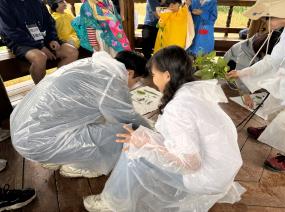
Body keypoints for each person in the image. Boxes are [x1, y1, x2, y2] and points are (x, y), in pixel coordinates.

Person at [83, 46, 245, 211]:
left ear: (167, 75)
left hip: (206, 176)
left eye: (154, 75)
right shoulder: (195, 90)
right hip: (223, 168)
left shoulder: (178, 108)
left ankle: (113, 203)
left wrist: (146, 146)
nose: (153, 80)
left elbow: (191, 164)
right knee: (141, 138)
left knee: (133, 150)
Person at [10, 50, 150, 178]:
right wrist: (153, 132)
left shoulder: (92, 63)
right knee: (123, 131)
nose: (134, 85)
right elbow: (128, 118)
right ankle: (77, 166)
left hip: (23, 130)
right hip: (39, 143)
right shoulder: (111, 80)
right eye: (136, 81)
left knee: (100, 117)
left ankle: (60, 156)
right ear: (130, 73)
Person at [227, 0, 285, 172]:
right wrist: (243, 73)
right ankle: (272, 130)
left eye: (266, 17)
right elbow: (273, 61)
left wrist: (275, 82)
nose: (264, 22)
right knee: (273, 104)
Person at [0, 0, 79, 84]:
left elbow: (49, 22)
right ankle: (41, 92)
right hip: (20, 41)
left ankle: (57, 84)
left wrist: (52, 39)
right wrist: (40, 47)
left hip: (43, 37)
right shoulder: (3, 3)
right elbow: (11, 31)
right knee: (39, 58)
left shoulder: (37, 1)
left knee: (72, 52)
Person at [224, 31, 281, 108]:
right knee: (239, 80)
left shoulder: (261, 44)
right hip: (231, 66)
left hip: (247, 64)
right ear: (264, 50)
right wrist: (246, 96)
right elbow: (237, 75)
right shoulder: (245, 53)